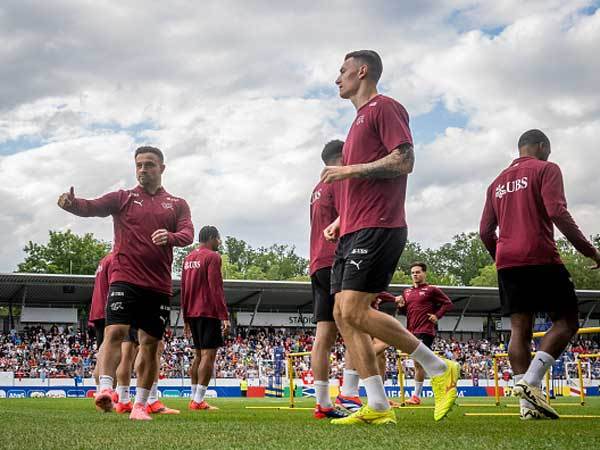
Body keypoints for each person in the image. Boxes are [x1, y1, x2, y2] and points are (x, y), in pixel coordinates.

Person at [321, 50, 459, 425]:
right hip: (353, 227)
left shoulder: (385, 108)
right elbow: (362, 184)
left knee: (352, 310)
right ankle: (379, 405)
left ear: (362, 71)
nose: (337, 78)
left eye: (343, 70)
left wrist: (349, 169)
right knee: (342, 315)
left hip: (380, 224)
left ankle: (439, 369)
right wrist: (341, 219)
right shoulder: (356, 121)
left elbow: (404, 160)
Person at [58, 146, 194, 420]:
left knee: (151, 344)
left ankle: (141, 405)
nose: (143, 169)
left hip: (157, 285)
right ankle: (106, 390)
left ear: (162, 169)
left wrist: (170, 236)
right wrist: (72, 204)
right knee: (116, 331)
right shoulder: (123, 198)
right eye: (139, 165)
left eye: (149, 165)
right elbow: (92, 207)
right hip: (125, 277)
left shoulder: (177, 203)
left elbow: (188, 233)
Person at [480, 129, 600, 420]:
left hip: (507, 262)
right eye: (549, 149)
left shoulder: (496, 182)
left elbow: (484, 231)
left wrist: (502, 256)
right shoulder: (547, 169)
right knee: (567, 321)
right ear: (542, 146)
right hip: (539, 255)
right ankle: (531, 383)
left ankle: (527, 408)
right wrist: (590, 251)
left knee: (520, 329)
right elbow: (557, 212)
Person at [309, 140, 351, 419]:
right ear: (342, 157)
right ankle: (354, 394)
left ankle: (323, 403)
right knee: (355, 325)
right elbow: (351, 218)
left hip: (317, 262)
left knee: (324, 335)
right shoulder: (340, 181)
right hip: (337, 259)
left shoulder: (317, 187)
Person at [181, 226, 230, 411]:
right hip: (208, 311)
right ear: (211, 238)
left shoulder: (188, 258)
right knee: (209, 355)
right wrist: (223, 316)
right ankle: (199, 400)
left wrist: (185, 317)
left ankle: (194, 397)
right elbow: (215, 288)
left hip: (192, 312)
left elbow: (184, 288)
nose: (219, 242)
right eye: (218, 238)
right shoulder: (213, 257)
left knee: (198, 355)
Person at [396, 262, 453, 405]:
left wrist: (437, 316)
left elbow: (448, 303)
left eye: (418, 272)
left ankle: (416, 396)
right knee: (418, 363)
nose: (415, 275)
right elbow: (405, 311)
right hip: (411, 331)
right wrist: (401, 307)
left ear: (424, 273)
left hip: (426, 330)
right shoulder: (407, 292)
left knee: (418, 361)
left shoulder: (431, 289)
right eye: (413, 273)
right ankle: (445, 368)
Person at [89, 252, 114, 393]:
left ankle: (99, 391)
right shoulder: (115, 259)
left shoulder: (103, 260)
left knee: (102, 354)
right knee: (114, 354)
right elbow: (115, 286)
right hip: (110, 311)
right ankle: (112, 392)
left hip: (98, 311)